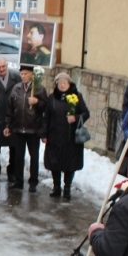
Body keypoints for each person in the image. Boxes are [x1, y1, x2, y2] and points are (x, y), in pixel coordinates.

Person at [43, 73, 90, 201]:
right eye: (60, 83)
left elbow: (86, 113)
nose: (62, 85)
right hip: (55, 136)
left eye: (65, 83)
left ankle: (67, 187)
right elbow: (46, 117)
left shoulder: (76, 96)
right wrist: (44, 133)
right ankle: (56, 187)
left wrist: (75, 118)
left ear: (69, 84)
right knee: (54, 163)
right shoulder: (52, 98)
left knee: (70, 164)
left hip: (71, 138)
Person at [4, 65, 46, 192]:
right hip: (18, 128)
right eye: (22, 74)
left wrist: (37, 102)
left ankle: (33, 181)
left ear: (32, 75)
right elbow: (10, 108)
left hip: (33, 129)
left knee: (34, 157)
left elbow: (46, 107)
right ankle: (18, 180)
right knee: (18, 156)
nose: (23, 76)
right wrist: (8, 125)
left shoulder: (39, 89)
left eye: (26, 74)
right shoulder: (16, 88)